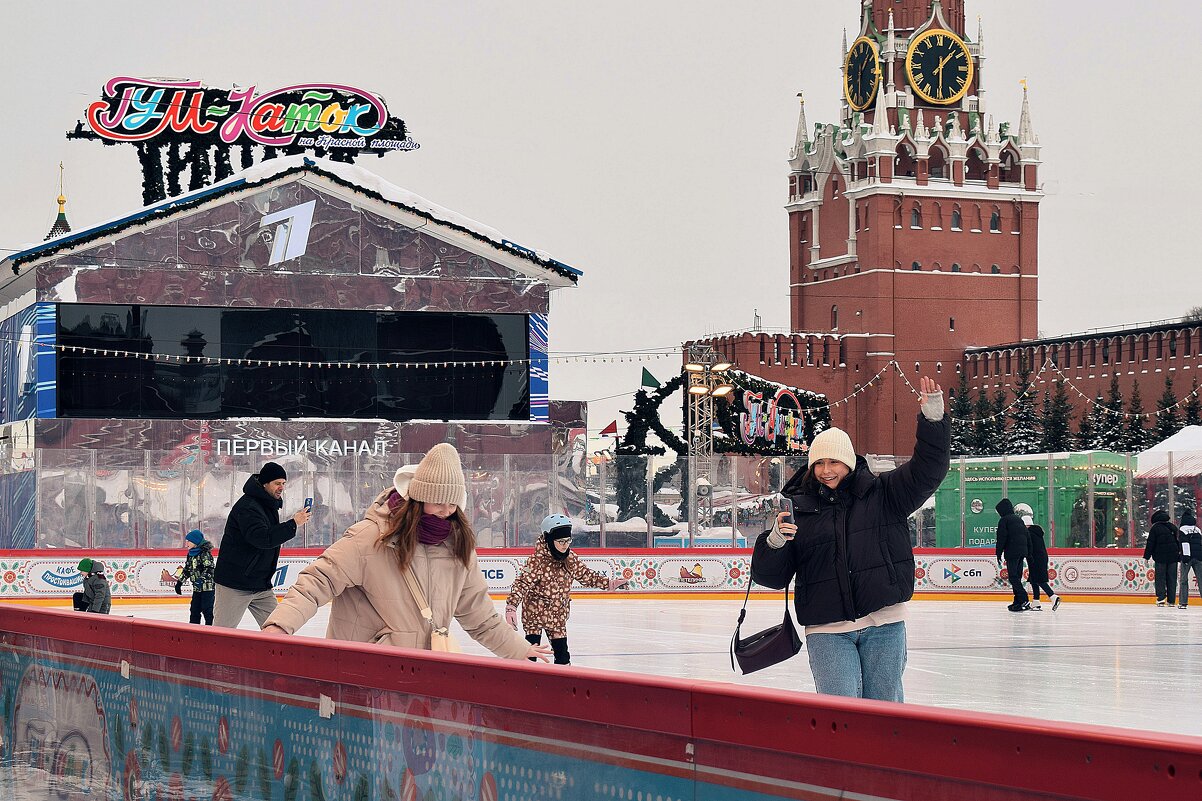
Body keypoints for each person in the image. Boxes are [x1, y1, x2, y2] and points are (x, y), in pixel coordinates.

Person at [750, 376, 949, 703]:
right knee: (839, 713)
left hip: (884, 625)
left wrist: (933, 418)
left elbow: (929, 469)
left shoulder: (885, 494)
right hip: (827, 632)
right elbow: (770, 577)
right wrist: (773, 543)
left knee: (885, 712)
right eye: (820, 463)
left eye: (834, 462)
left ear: (850, 461)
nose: (827, 470)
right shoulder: (798, 508)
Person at [264, 443, 551, 662]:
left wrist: (520, 650)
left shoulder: (459, 548)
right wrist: (280, 626)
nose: (446, 511)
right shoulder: (371, 537)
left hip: (424, 674)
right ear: (417, 499)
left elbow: (480, 618)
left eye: (453, 504)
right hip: (365, 671)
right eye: (438, 502)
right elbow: (317, 581)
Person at [504, 513, 629, 665]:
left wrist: (610, 584)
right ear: (549, 539)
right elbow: (521, 583)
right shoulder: (537, 561)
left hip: (558, 616)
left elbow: (587, 576)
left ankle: (562, 685)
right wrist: (511, 606)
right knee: (531, 656)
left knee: (563, 656)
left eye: (568, 540)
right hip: (534, 617)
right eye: (561, 541)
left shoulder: (570, 559)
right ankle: (528, 684)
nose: (565, 545)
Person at [213, 461, 311, 628]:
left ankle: (278, 655)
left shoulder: (267, 505)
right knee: (222, 635)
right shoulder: (249, 507)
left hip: (260, 586)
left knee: (280, 630)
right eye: (277, 483)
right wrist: (293, 524)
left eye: (283, 483)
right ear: (265, 483)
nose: (281, 487)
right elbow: (262, 538)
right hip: (235, 584)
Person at [994, 498, 1030, 612]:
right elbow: (1026, 536)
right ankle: (1018, 602)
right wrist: (1028, 551)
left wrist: (998, 553)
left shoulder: (1004, 520)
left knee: (1013, 577)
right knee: (1017, 577)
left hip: (1012, 551)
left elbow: (1001, 538)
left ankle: (1023, 598)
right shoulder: (1019, 520)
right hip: (1021, 552)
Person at [176, 528, 216, 625]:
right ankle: (193, 632)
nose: (187, 543)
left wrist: (201, 580)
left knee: (208, 611)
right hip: (197, 589)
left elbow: (209, 569)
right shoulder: (191, 554)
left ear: (195, 541)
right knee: (194, 610)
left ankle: (211, 632)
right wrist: (179, 582)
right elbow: (187, 569)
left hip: (207, 588)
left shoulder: (204, 553)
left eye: (189, 541)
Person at [1022, 513, 1061, 611]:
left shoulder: (1029, 533)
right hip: (1040, 557)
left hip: (1035, 558)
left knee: (1039, 580)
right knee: (1033, 579)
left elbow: (1028, 546)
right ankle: (1036, 602)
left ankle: (1053, 596)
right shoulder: (1036, 532)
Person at [1143, 509, 1180, 607]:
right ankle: (1171, 601)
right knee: (1172, 578)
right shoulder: (1173, 527)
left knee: (1160, 578)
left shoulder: (1155, 528)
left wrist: (1146, 557)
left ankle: (1161, 599)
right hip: (1173, 557)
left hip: (1160, 558)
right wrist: (1179, 555)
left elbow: (1150, 543)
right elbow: (1178, 542)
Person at [1178, 510, 1201, 609]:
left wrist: (1186, 557)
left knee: (1183, 579)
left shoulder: (1182, 529)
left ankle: (1183, 602)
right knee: (1201, 579)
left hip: (1188, 557)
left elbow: (1185, 543)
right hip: (1199, 557)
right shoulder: (1198, 529)